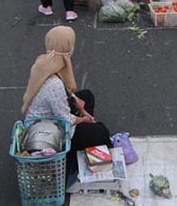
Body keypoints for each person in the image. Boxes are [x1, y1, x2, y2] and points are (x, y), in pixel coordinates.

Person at [22, 26, 111, 176]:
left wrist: (76, 101)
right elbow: (65, 119)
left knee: (86, 96)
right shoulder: (54, 84)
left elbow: (65, 91)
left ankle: (83, 140)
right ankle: (70, 156)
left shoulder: (44, 61)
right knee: (101, 132)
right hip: (49, 135)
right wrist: (83, 119)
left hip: (46, 119)